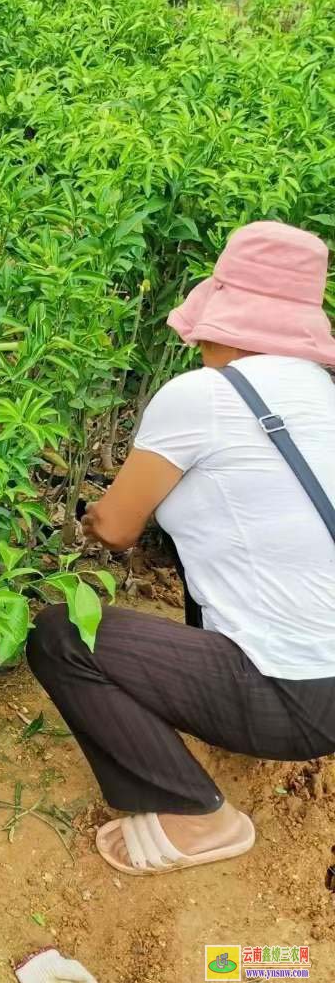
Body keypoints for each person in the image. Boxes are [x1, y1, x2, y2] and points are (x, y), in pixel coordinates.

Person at [28, 221, 335, 876]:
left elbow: (114, 528)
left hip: (293, 700)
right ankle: (242, 721)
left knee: (61, 637)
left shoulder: (201, 397)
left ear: (223, 319)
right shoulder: (323, 396)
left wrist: (54, 528)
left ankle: (198, 815)